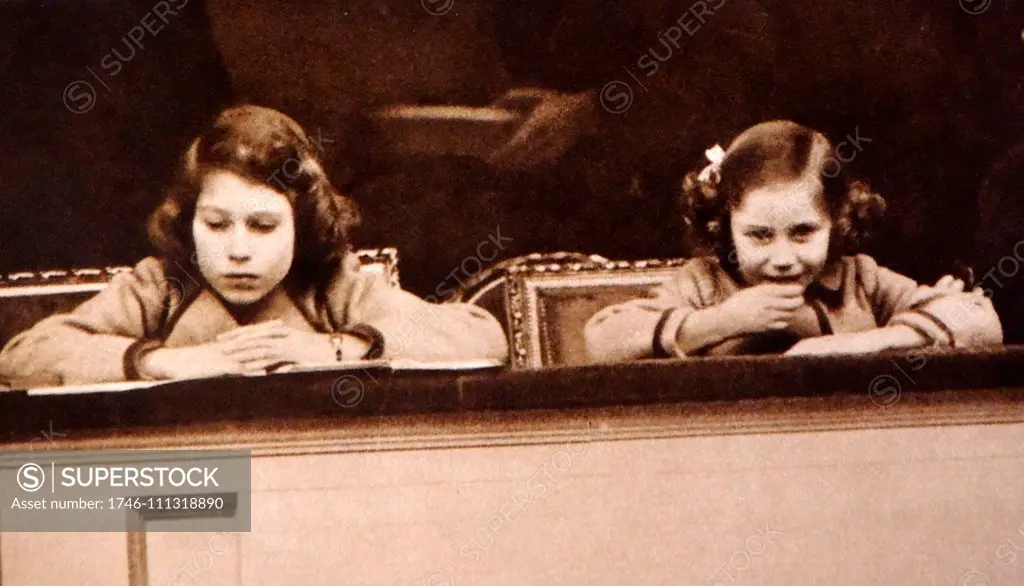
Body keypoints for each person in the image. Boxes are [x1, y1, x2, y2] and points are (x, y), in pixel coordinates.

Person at [0, 106, 508, 385]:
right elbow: (23, 354)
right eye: (217, 225)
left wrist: (336, 347)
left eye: (263, 227)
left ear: (301, 225)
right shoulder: (160, 286)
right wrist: (161, 361)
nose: (237, 250)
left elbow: (480, 335)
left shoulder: (330, 284)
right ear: (189, 220)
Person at [584, 120, 1003, 362]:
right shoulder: (702, 283)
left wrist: (853, 345)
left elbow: (980, 320)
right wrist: (723, 321)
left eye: (803, 233)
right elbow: (602, 339)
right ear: (725, 226)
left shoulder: (861, 280)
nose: (783, 258)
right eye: (759, 236)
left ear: (837, 222)